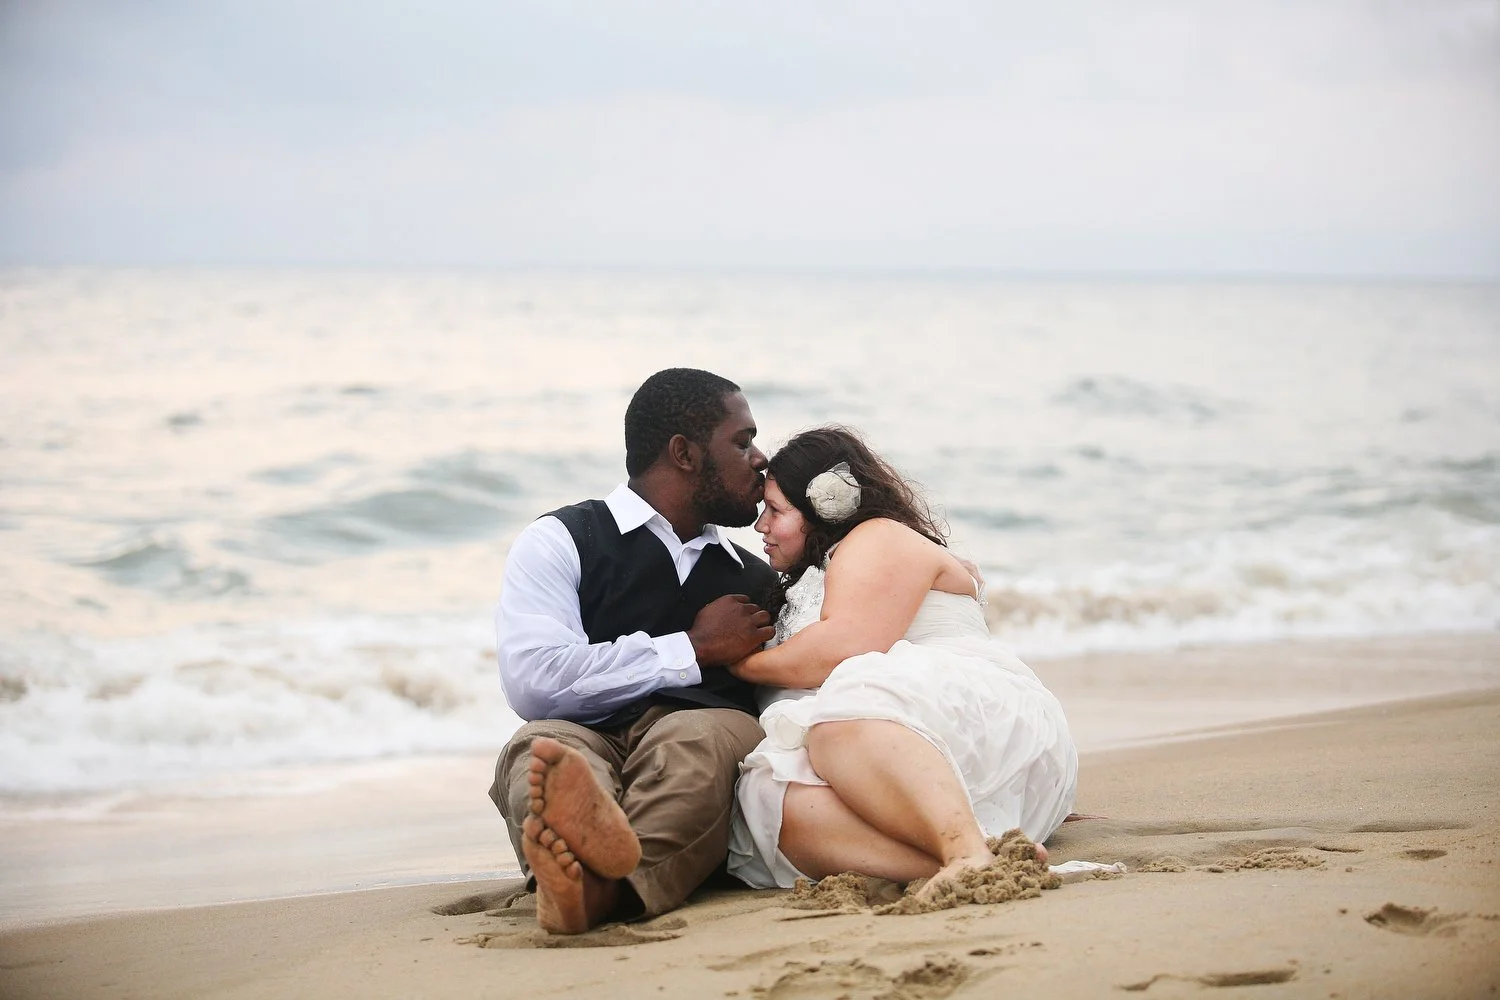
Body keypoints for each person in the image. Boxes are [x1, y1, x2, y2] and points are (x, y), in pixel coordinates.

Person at [725, 426, 1078, 897]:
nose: (760, 526)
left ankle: (963, 850)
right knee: (767, 796)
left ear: (827, 506)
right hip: (894, 755)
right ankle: (976, 860)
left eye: (775, 510)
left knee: (841, 715)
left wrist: (734, 663)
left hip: (974, 714)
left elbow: (840, 650)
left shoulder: (878, 537)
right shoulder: (816, 573)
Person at [489, 368, 779, 934]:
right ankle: (582, 866)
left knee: (690, 744)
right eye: (742, 442)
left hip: (701, 722)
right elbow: (534, 682)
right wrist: (693, 648)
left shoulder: (760, 580)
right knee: (544, 751)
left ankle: (599, 889)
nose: (760, 458)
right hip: (586, 727)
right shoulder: (562, 539)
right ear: (684, 453)